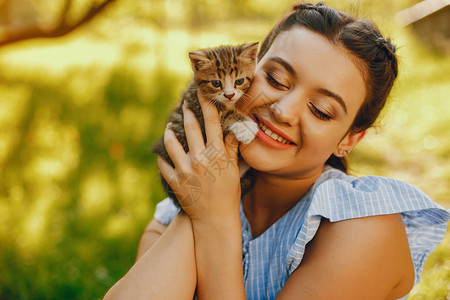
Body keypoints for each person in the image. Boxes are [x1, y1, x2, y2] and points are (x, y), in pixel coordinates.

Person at [104, 2, 450, 299]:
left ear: (349, 140)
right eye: (275, 80)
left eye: (321, 111)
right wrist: (201, 197)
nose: (283, 111)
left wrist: (213, 221)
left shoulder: (364, 230)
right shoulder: (182, 204)